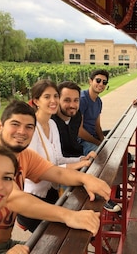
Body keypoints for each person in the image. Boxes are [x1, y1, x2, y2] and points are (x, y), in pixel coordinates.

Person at [0, 100, 110, 253]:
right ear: (0, 125)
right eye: (15, 124)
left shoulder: (24, 155)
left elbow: (56, 172)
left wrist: (86, 179)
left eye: (29, 127)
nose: (22, 131)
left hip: (3, 244)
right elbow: (14, 199)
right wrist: (69, 216)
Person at [17, 79, 95, 232]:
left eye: (55, 96)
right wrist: (76, 166)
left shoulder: (52, 125)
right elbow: (39, 172)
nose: (53, 101)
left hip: (52, 194)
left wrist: (81, 159)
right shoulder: (30, 128)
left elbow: (58, 158)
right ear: (36, 101)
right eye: (47, 97)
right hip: (33, 201)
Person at [52, 81, 120, 213]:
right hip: (61, 167)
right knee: (73, 196)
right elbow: (54, 161)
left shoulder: (76, 115)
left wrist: (82, 158)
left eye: (76, 100)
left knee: (98, 161)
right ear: (57, 100)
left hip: (74, 156)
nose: (72, 105)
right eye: (67, 100)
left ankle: (101, 197)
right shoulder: (51, 122)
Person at [78, 69, 110, 155]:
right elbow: (79, 131)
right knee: (102, 155)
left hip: (93, 137)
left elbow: (97, 126)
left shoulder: (98, 101)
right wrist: (98, 143)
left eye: (104, 82)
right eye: (98, 80)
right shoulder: (82, 99)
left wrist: (103, 141)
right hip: (81, 140)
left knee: (116, 152)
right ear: (90, 81)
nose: (101, 84)